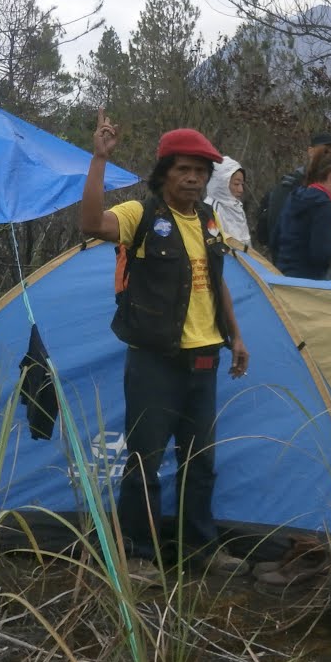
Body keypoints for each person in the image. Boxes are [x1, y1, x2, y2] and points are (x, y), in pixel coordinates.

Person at [79, 109, 250, 573]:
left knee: (200, 460)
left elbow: (217, 281)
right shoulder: (140, 214)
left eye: (200, 171)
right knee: (145, 459)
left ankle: (201, 549)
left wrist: (234, 336)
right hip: (154, 360)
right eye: (184, 170)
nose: (193, 179)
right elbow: (92, 223)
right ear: (165, 173)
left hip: (204, 358)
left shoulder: (212, 221)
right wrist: (99, 159)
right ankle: (138, 553)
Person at [274, 145, 331, 279]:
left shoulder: (296, 195)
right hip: (308, 284)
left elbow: (276, 237)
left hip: (284, 278)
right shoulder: (323, 205)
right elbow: (321, 256)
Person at [255, 132, 331, 252]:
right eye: (325, 151)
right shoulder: (290, 186)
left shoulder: (330, 189)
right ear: (310, 151)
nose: (329, 157)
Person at [208, 157, 251, 249]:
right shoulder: (211, 209)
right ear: (222, 183)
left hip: (242, 261)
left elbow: (246, 243)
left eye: (242, 184)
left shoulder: (237, 207)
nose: (241, 190)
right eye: (236, 184)